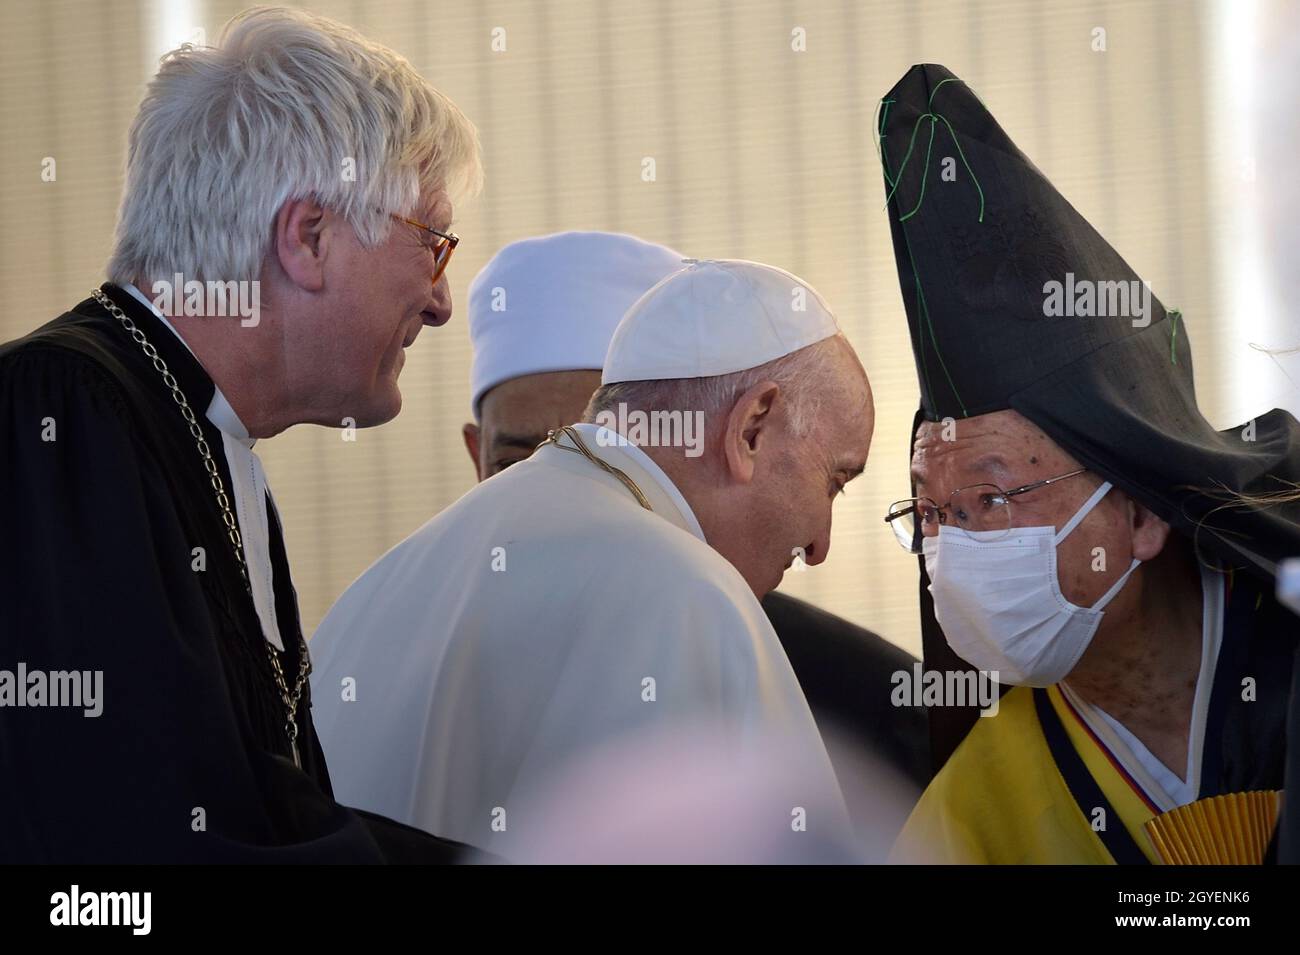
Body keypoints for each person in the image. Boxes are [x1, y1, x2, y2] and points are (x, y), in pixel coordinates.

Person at [0, 6, 482, 862]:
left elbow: (264, 801)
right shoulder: (63, 409)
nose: (443, 302)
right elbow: (124, 835)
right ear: (309, 237)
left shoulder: (198, 437)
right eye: (432, 245)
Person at [877, 64, 1300, 864]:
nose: (951, 552)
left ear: (1139, 511)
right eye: (930, 513)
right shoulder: (964, 821)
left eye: (991, 498)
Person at [310, 258, 873, 856]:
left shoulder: (382, 583)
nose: (820, 545)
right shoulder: (691, 596)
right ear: (752, 428)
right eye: (834, 481)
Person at [455, 231, 927, 836]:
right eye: (530, 459)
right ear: (477, 456)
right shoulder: (409, 629)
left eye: (608, 449)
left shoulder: (871, 698)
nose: (567, 487)